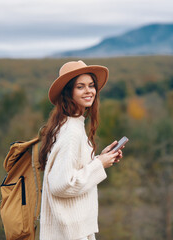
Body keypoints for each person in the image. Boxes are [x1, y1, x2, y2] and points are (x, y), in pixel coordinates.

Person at [38, 60, 123, 240]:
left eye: (91, 85)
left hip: (72, 231)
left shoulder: (70, 125)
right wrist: (99, 164)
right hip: (69, 233)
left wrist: (100, 159)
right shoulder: (71, 132)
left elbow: (72, 170)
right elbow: (61, 184)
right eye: (80, 86)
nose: (89, 91)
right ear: (68, 92)